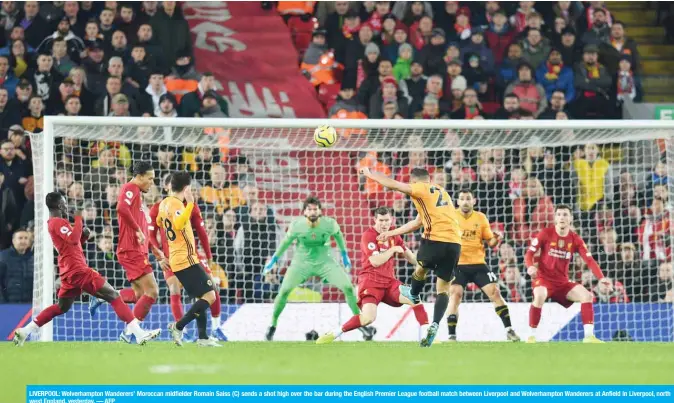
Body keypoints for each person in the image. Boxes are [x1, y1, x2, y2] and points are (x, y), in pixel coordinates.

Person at [13, 192, 160, 346]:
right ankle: (138, 333)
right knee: (113, 295)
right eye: (64, 203)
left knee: (61, 307)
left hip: (69, 272)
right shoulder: (57, 222)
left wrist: (83, 236)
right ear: (59, 205)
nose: (66, 206)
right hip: (78, 270)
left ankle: (25, 331)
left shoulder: (57, 223)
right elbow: (73, 238)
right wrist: (78, 218)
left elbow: (73, 244)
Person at [360, 167, 462, 347]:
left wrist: (369, 174)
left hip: (435, 239)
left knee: (420, 269)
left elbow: (393, 185)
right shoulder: (441, 192)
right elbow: (417, 222)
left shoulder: (420, 188)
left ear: (415, 181)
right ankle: (435, 324)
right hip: (455, 243)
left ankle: (413, 293)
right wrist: (392, 233)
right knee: (443, 288)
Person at [263, 196, 374, 342]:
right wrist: (274, 259)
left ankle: (361, 323)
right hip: (301, 264)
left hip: (325, 262)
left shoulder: (329, 224)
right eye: (310, 209)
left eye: (315, 209)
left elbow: (339, 236)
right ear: (304, 212)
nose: (313, 212)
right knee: (284, 291)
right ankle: (272, 325)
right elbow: (285, 243)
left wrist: (344, 255)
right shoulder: (297, 225)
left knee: (347, 287)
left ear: (320, 211)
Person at [316, 207, 429, 344]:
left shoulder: (394, 234)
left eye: (387, 220)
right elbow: (375, 262)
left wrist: (423, 266)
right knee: (368, 318)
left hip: (389, 282)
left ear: (391, 219)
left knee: (414, 296)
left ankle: (428, 336)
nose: (384, 224)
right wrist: (393, 250)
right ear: (375, 220)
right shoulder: (368, 236)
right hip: (371, 282)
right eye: (381, 220)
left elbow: (408, 255)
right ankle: (334, 333)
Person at [144, 173, 226, 341]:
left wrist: (208, 256)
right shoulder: (174, 204)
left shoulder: (164, 205)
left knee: (205, 294)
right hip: (182, 258)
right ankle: (179, 327)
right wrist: (159, 255)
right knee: (208, 294)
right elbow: (173, 225)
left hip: (184, 257)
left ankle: (204, 337)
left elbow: (161, 222)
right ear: (185, 188)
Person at [525, 204, 609, 343]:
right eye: (559, 214)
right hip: (543, 279)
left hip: (562, 282)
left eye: (565, 214)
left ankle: (589, 337)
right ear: (555, 218)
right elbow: (529, 254)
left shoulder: (575, 239)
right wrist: (530, 267)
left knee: (587, 296)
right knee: (539, 295)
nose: (562, 217)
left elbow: (589, 260)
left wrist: (601, 278)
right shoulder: (545, 233)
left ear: (570, 218)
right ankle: (531, 336)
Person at [446, 189, 519, 342]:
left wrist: (497, 237)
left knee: (495, 292)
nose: (465, 201)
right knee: (455, 295)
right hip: (457, 265)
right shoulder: (451, 217)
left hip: (478, 263)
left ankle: (509, 330)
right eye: (462, 199)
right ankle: (451, 335)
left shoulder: (481, 217)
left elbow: (490, 243)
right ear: (457, 202)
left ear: (474, 201)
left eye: (468, 198)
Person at [114, 161, 158, 343]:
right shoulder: (130, 187)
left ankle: (106, 296)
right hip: (131, 249)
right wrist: (137, 230)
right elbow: (121, 208)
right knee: (152, 292)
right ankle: (131, 333)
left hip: (136, 249)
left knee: (140, 295)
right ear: (139, 176)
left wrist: (154, 249)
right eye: (150, 178)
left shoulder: (137, 195)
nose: (152, 183)